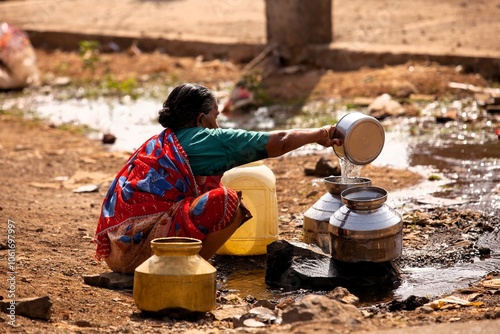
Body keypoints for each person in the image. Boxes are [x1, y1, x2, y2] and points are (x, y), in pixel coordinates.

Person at [94, 83, 341, 274]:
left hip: (116, 248)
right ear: (201, 119)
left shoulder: (162, 143)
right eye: (215, 115)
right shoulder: (201, 140)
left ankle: (180, 265)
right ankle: (188, 271)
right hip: (140, 251)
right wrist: (321, 134)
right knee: (228, 202)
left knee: (210, 192)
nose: (217, 123)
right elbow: (279, 142)